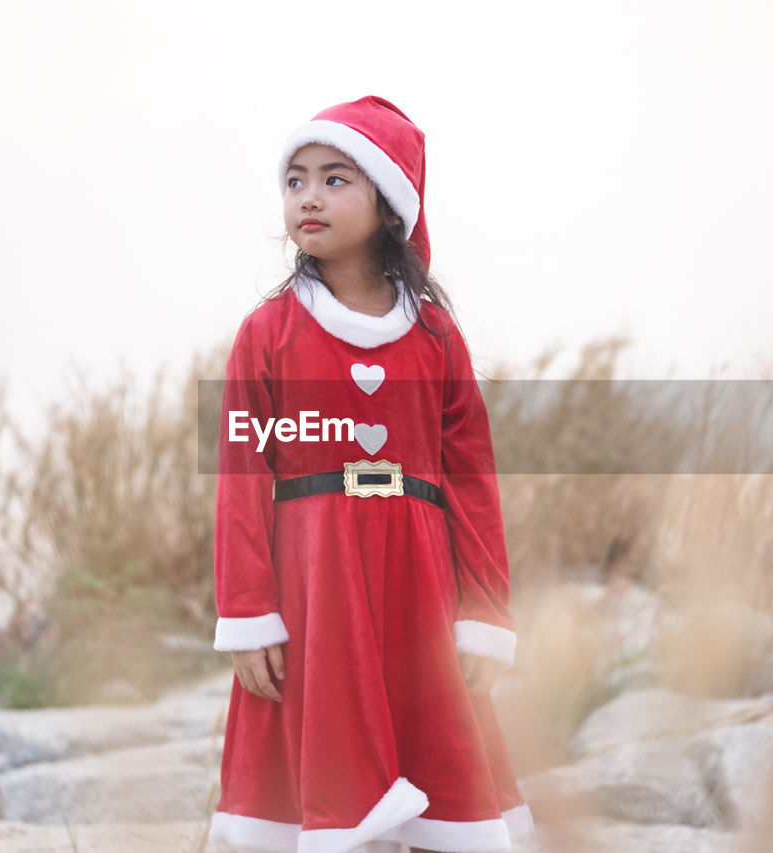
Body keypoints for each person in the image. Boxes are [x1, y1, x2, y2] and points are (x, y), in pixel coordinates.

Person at [208, 95, 533, 853]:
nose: (309, 196)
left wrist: (484, 612)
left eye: (334, 178)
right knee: (324, 755)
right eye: (295, 180)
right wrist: (248, 611)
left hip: (418, 581)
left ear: (389, 206)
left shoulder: (435, 337)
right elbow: (240, 478)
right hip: (313, 584)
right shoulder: (268, 335)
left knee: (435, 745)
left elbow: (473, 481)